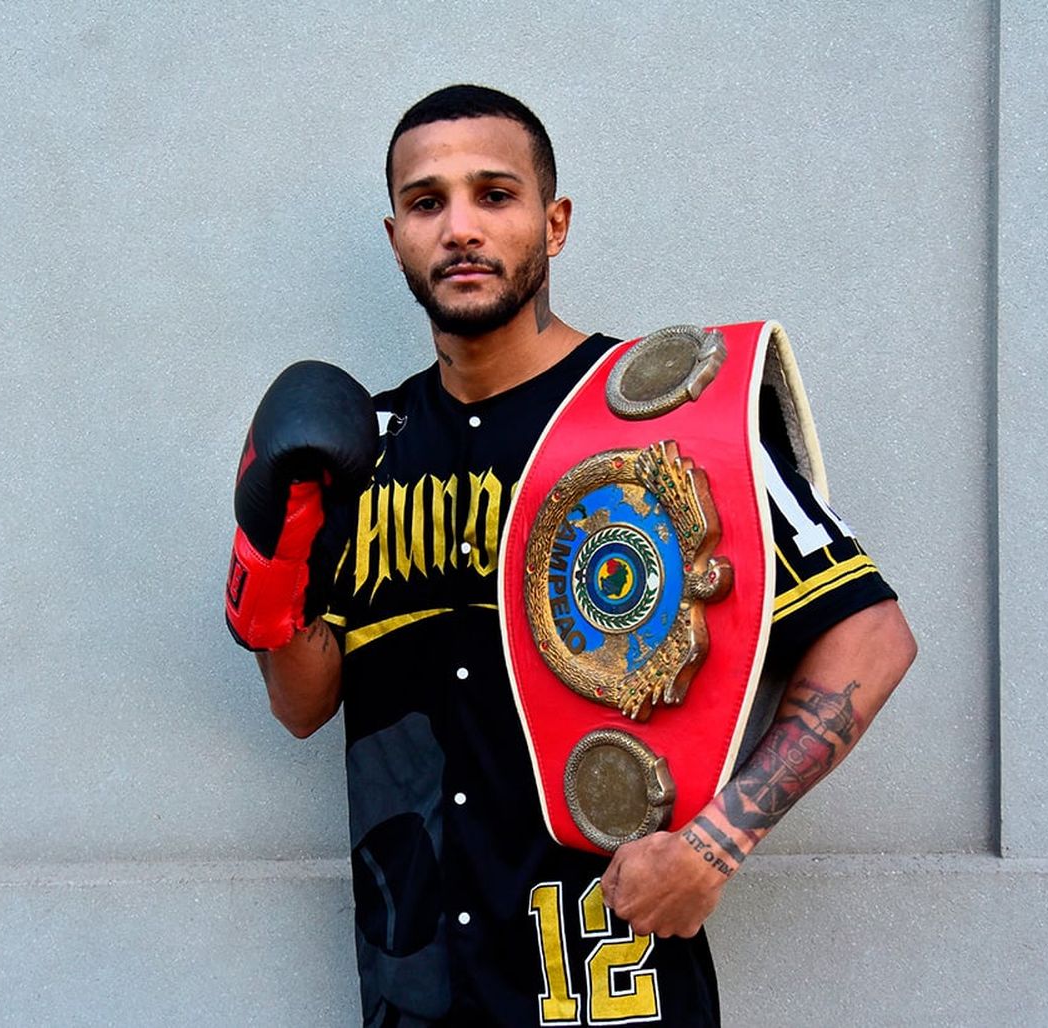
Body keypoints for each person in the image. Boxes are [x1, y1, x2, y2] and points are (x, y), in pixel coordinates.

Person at [226, 84, 917, 1027]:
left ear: (554, 224)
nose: (460, 227)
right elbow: (303, 704)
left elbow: (872, 639)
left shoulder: (663, 425)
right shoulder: (363, 450)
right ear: (396, 238)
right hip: (416, 986)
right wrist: (272, 573)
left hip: (604, 988)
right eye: (428, 203)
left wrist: (714, 848)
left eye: (494, 195)